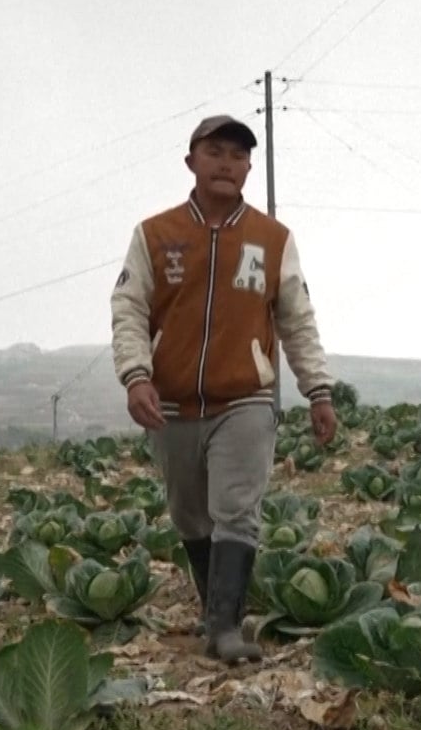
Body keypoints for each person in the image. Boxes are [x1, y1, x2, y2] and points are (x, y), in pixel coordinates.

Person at [110, 114, 339, 662]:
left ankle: (226, 628)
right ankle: (214, 610)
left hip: (245, 400)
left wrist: (318, 389)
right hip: (171, 403)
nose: (227, 164)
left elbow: (297, 320)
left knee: (236, 508)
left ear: (249, 169)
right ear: (191, 161)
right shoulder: (154, 235)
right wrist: (136, 374)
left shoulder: (273, 240)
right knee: (191, 515)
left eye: (238, 156)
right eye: (215, 152)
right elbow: (129, 307)